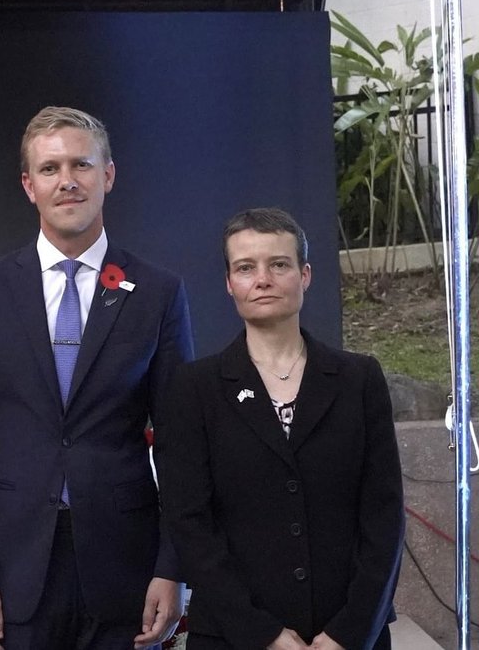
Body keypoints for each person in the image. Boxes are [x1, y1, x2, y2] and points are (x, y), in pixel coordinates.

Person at [0, 105, 194, 650]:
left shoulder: (156, 292)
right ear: (29, 185)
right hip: (12, 573)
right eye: (50, 169)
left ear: (107, 176)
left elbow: (180, 443)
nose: (67, 182)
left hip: (126, 567)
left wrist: (173, 567)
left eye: (81, 165)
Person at [154, 207, 403, 650]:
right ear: (230, 284)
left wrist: (350, 632)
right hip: (234, 635)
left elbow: (383, 517)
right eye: (246, 268)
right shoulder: (195, 389)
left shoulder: (358, 379)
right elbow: (190, 522)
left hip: (347, 634)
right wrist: (261, 634)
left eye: (279, 264)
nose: (263, 279)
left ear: (305, 275)